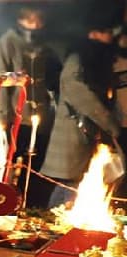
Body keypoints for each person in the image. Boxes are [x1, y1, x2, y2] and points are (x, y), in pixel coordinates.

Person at [41, 20, 119, 205]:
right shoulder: (78, 58)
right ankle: (56, 224)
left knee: (77, 182)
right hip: (73, 130)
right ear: (93, 34)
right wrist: (110, 123)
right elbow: (76, 90)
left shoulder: (97, 59)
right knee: (69, 185)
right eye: (106, 32)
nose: (110, 37)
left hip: (88, 131)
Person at [0, 6, 61, 206]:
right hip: (14, 116)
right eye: (30, 20)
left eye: (39, 20)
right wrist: (2, 119)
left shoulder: (45, 48)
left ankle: (28, 207)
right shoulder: (6, 43)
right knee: (8, 167)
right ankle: (1, 207)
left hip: (38, 117)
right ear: (20, 19)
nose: (35, 25)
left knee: (33, 167)